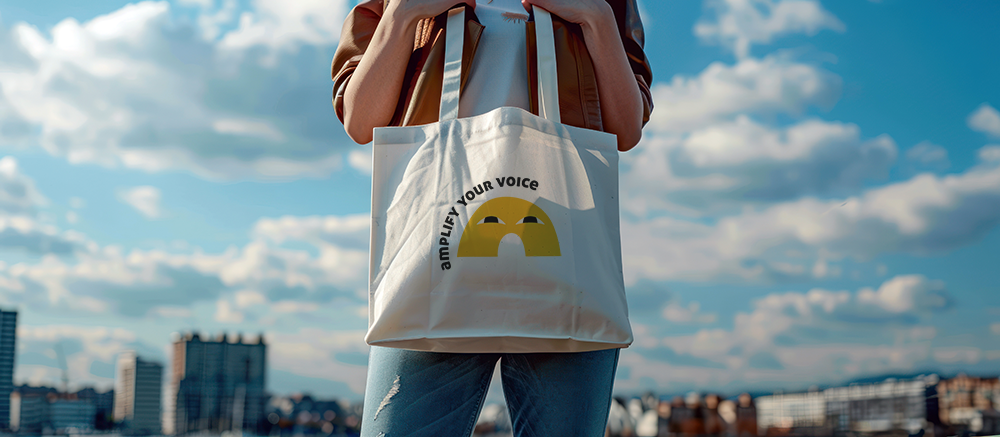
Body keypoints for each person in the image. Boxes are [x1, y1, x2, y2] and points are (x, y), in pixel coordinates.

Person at [330, 0, 653, 435]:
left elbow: (626, 128)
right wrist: (404, 12)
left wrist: (595, 16)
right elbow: (360, 120)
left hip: (564, 254)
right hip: (433, 255)